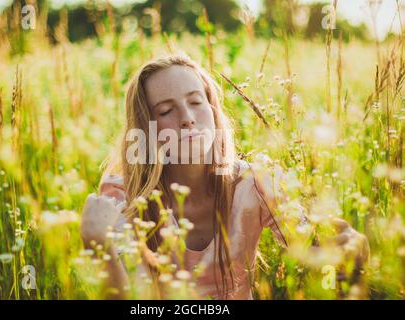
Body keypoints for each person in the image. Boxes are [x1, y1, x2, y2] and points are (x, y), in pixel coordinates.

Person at [80, 53, 369, 300]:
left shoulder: (254, 183)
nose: (187, 117)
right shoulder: (123, 197)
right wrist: (98, 245)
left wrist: (348, 253)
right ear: (146, 127)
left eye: (195, 102)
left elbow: (314, 252)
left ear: (213, 110)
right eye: (166, 110)